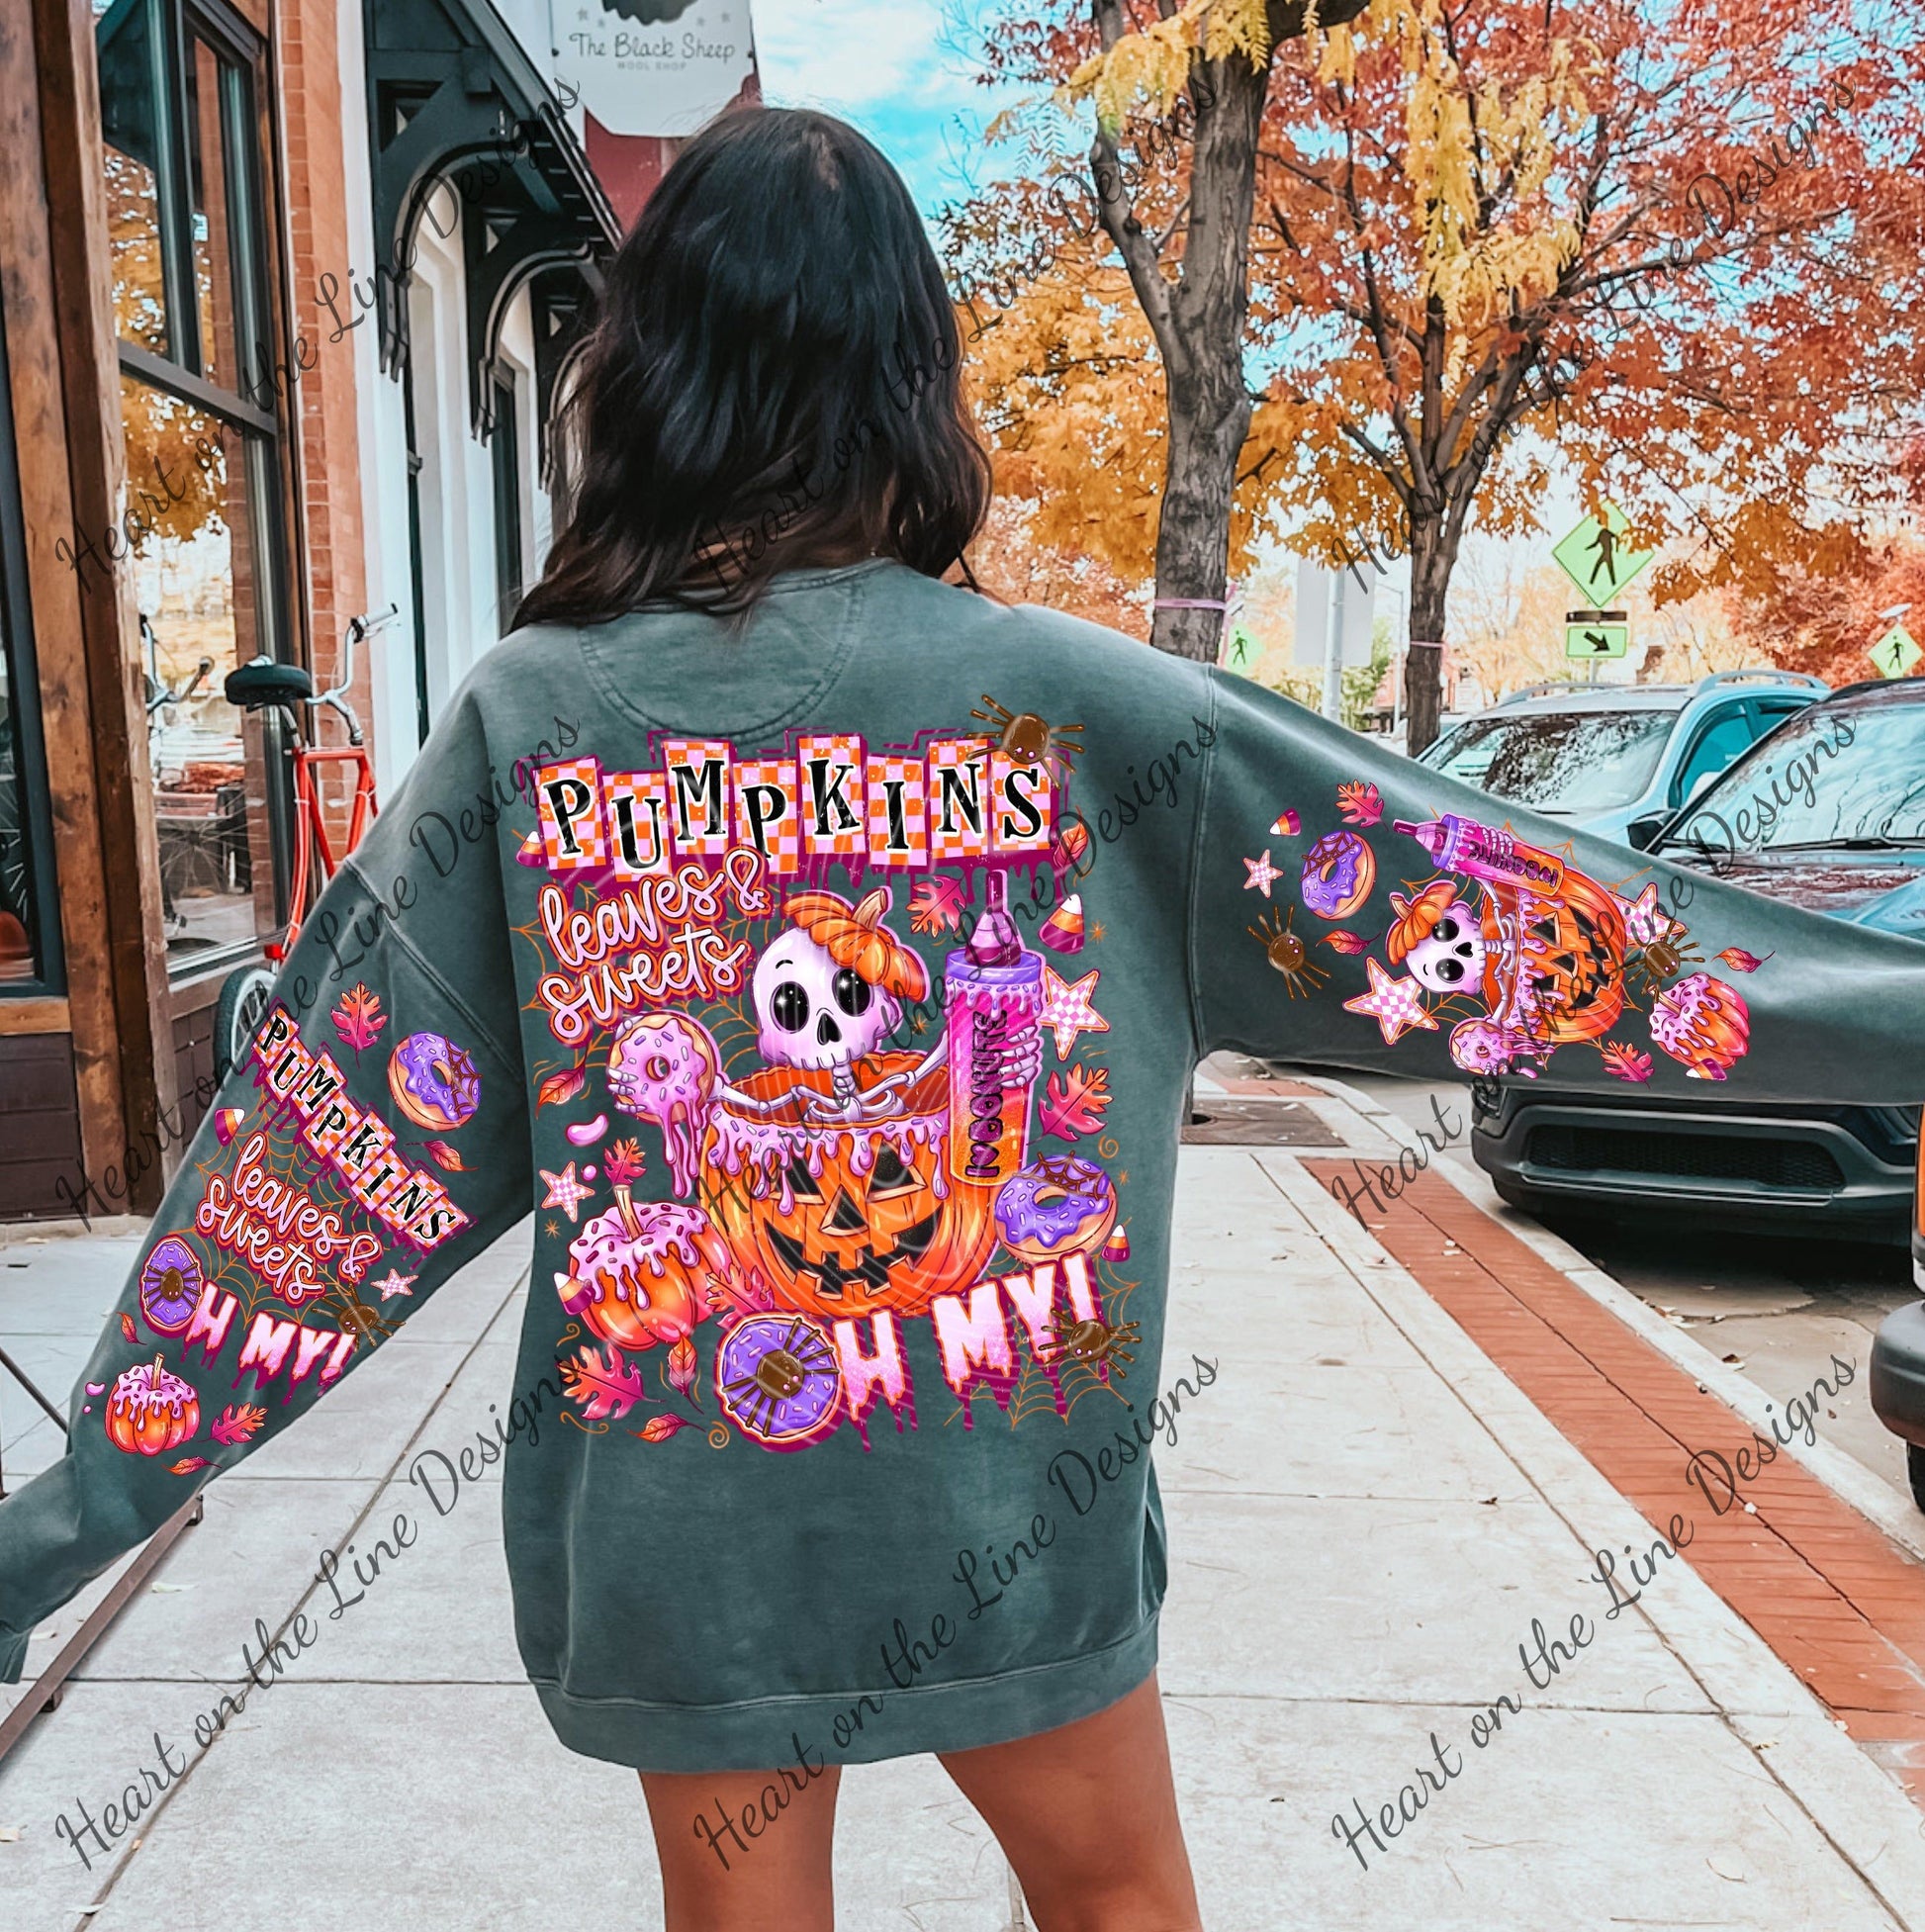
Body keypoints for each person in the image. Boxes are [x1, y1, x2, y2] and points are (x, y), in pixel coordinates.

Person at [2, 106, 1915, 1931]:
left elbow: (321, 1168)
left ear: (644, 374)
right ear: (912, 379)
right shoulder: (1085, 710)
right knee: (1120, 1900)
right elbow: (1514, 922)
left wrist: (63, 1526)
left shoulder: (534, 719)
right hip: (1007, 1499)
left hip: (686, 1521)